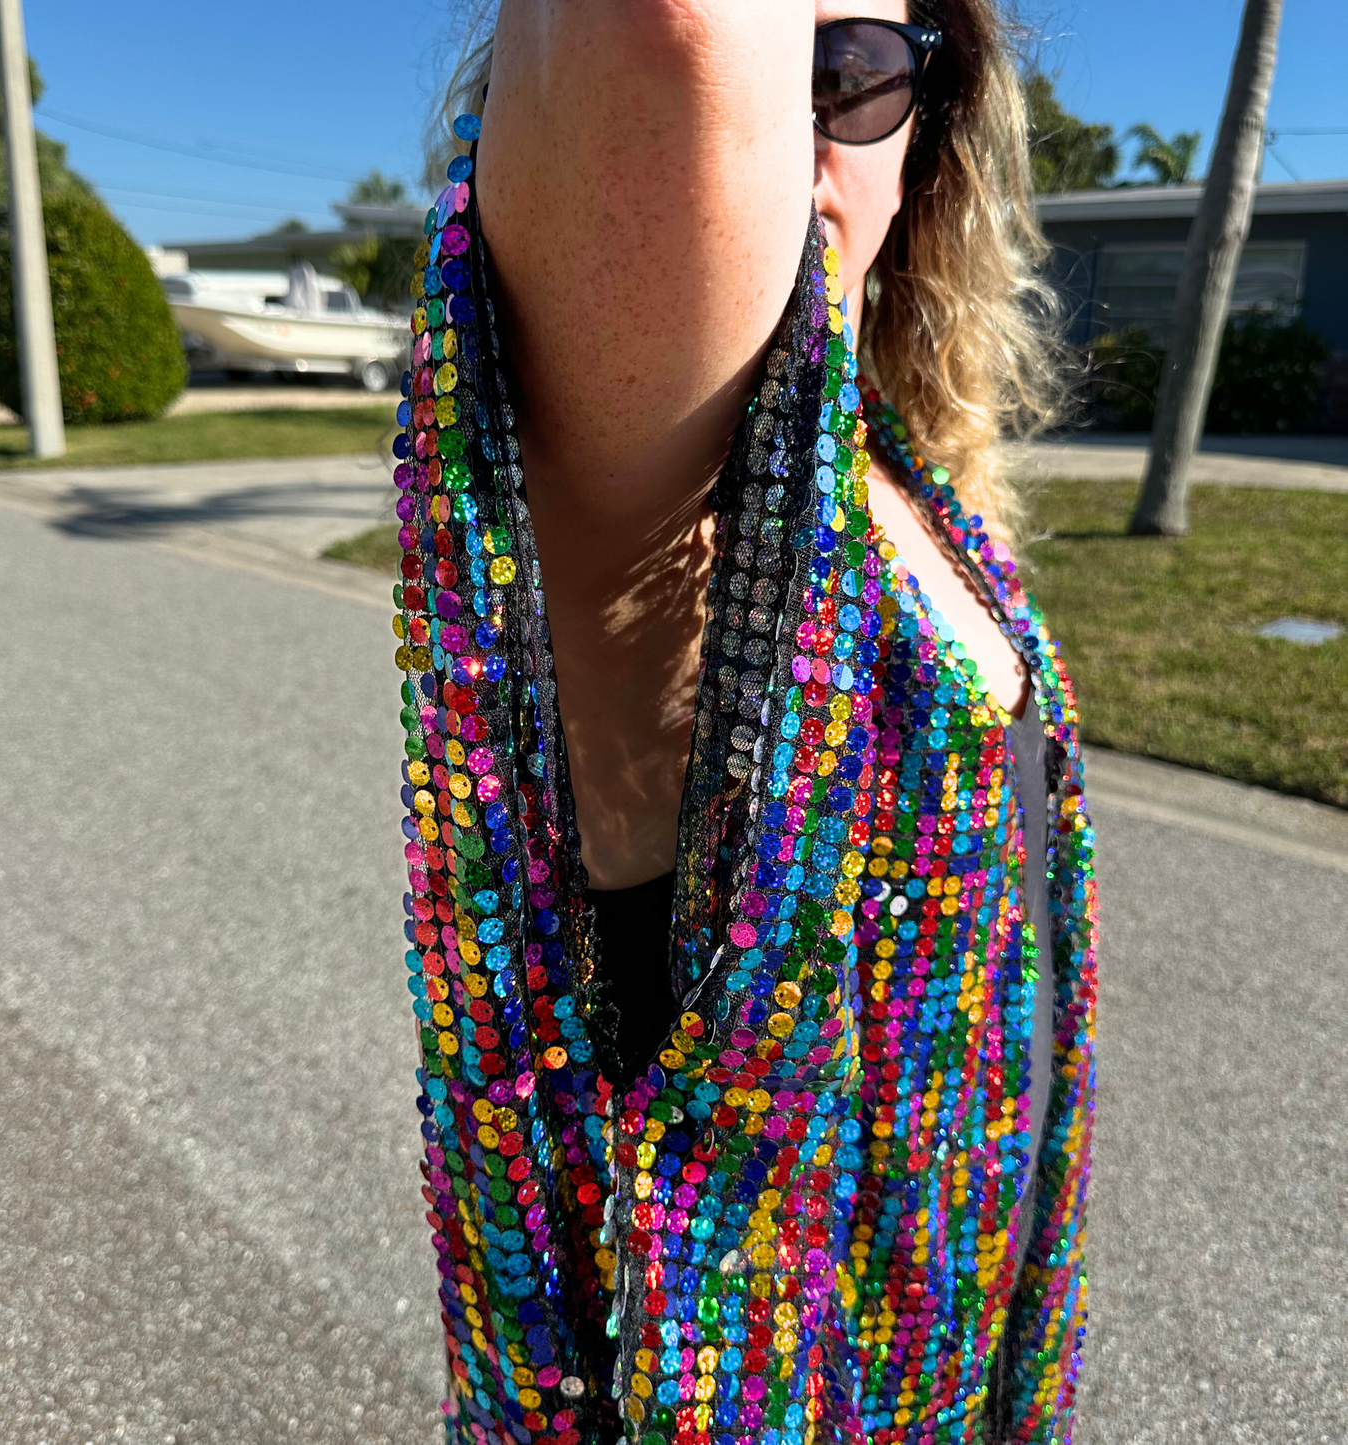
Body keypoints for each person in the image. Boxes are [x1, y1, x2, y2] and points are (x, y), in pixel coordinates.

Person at [394, 4, 1097, 1442]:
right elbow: (681, 33)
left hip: (969, 1365)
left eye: (852, 79)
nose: (799, 128)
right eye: (785, 60)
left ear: (936, 127)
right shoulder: (664, 481)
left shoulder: (897, 472)